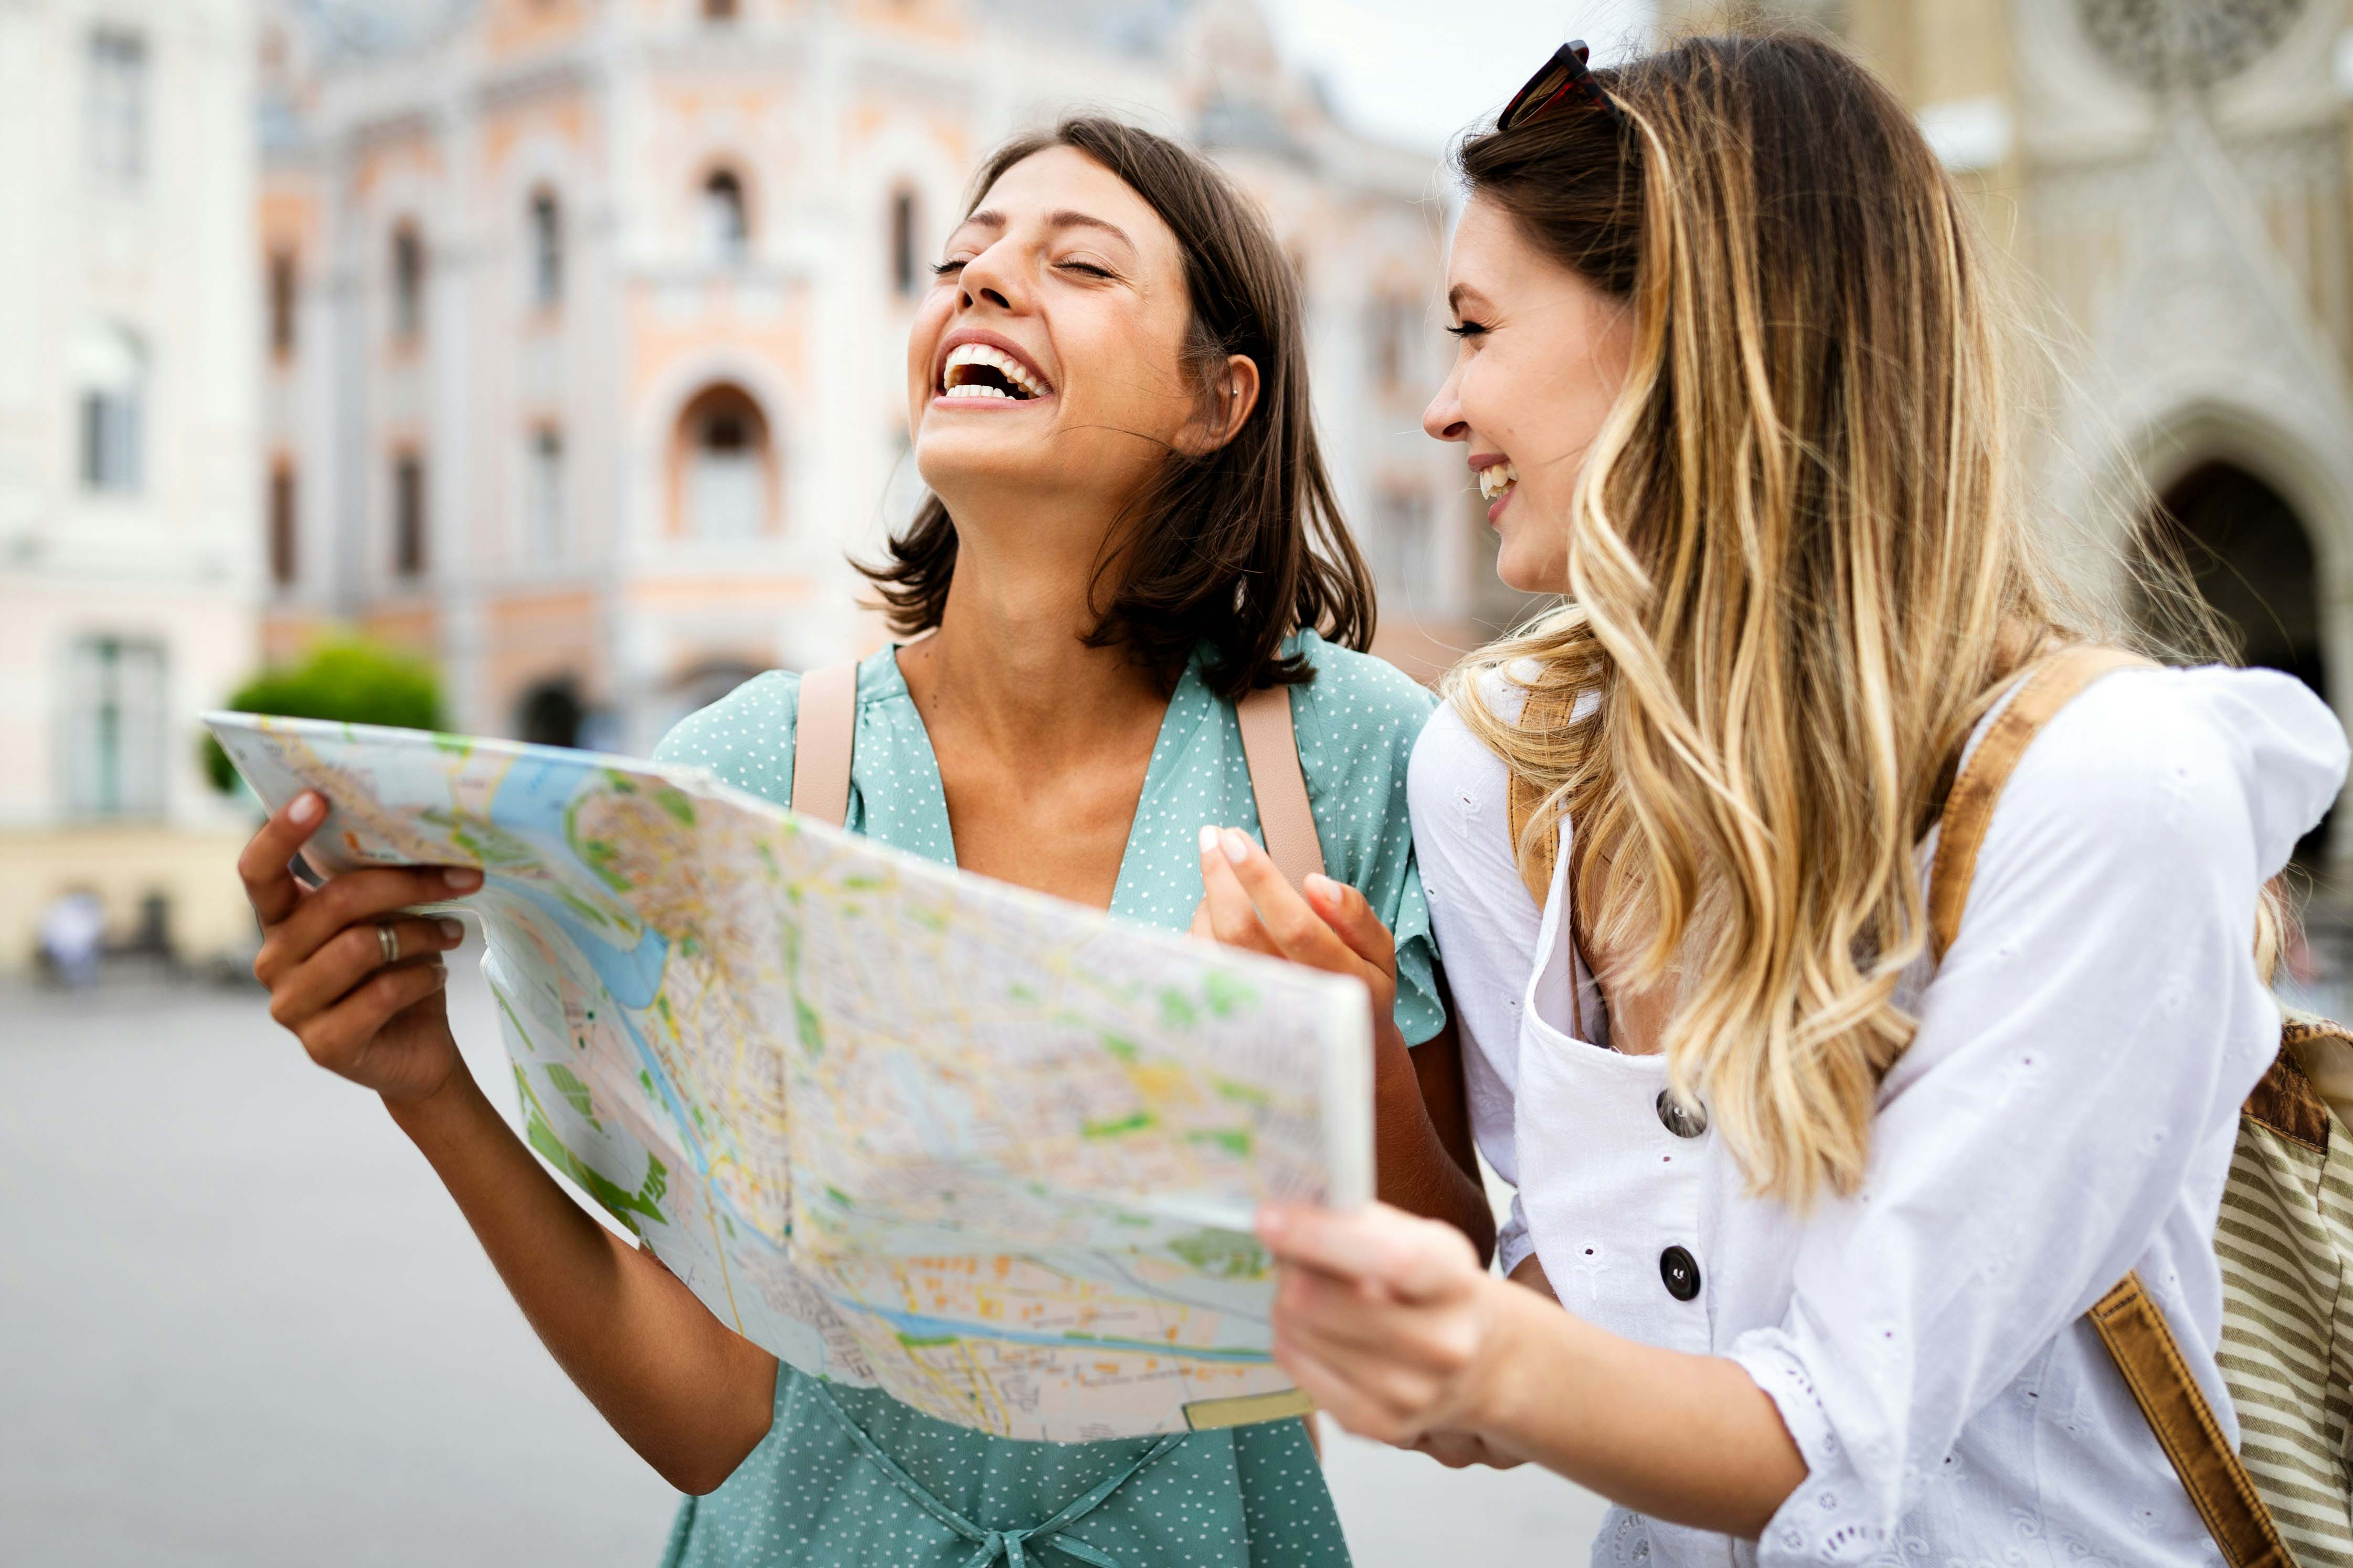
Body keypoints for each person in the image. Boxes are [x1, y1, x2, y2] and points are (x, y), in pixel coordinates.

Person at [235, 115, 1493, 1567]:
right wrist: (426, 1083)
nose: (983, 284)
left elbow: (1453, 1354)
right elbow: (708, 1416)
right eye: (958, 261)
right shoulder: (740, 777)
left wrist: (1349, 1073)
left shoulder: (1353, 758)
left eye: (1075, 264)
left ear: (1218, 401)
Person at [1241, 32, 2351, 1567]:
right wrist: (1340, 1065)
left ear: (1690, 332)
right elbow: (1574, 1318)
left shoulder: (2105, 788)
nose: (1440, 407)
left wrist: (1476, 1359)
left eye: (1477, 329)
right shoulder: (1500, 769)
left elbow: (1827, 1427)